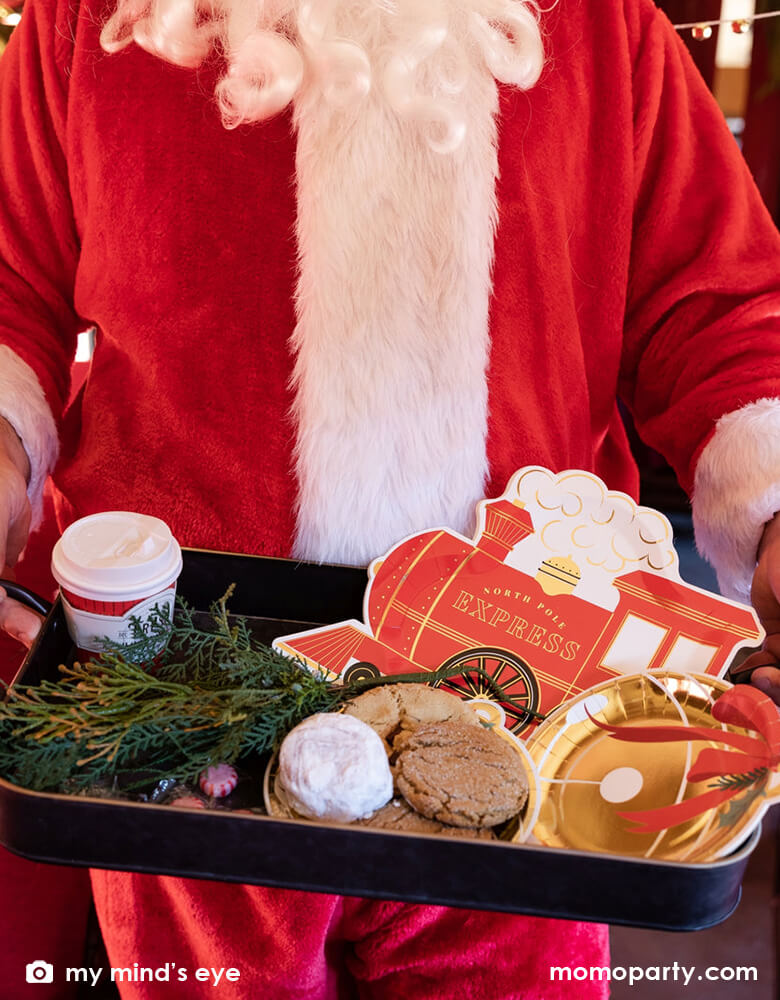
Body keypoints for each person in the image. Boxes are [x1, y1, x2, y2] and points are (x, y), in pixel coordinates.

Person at [0, 0, 779, 996]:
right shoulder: (87, 21)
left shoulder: (605, 26)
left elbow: (717, 308)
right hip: (182, 703)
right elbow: (11, 282)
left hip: (529, 699)